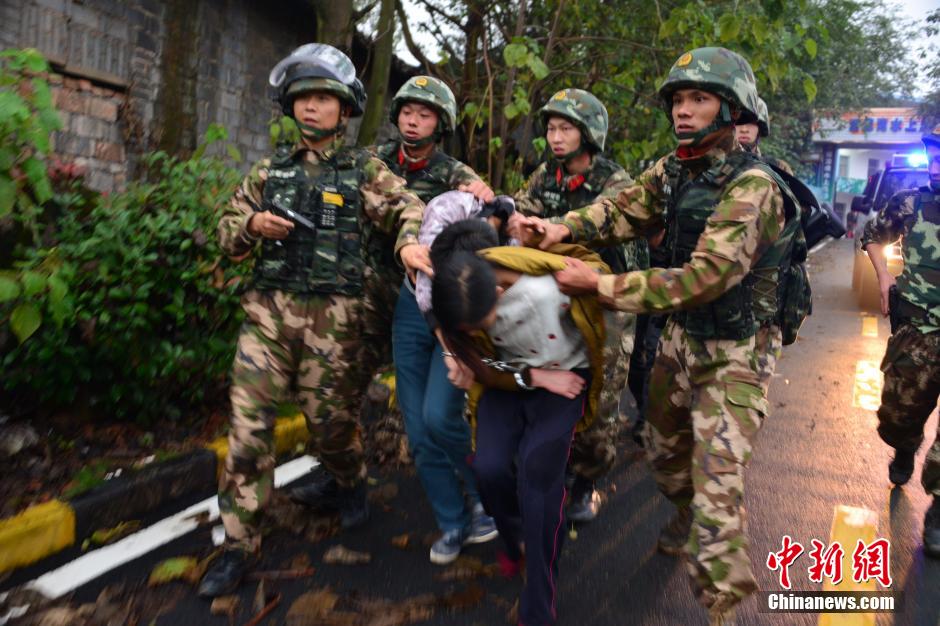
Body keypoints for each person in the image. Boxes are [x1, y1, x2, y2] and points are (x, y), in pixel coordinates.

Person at [516, 47, 801, 624]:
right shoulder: (675, 170)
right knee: (665, 453)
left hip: (739, 351)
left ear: (731, 107)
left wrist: (601, 284)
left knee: (718, 484)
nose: (683, 110)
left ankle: (720, 604)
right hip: (682, 338)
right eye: (678, 99)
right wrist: (560, 226)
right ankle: (682, 512)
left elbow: (706, 277)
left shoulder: (755, 188)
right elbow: (618, 210)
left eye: (699, 99)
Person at [198, 43, 428, 598]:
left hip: (334, 321)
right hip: (269, 317)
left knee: (331, 426)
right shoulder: (267, 171)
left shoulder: (364, 170)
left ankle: (349, 481)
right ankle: (237, 545)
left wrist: (409, 245)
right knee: (248, 432)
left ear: (344, 110)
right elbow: (224, 234)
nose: (311, 108)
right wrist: (252, 224)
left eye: (324, 98)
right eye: (302, 98)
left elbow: (408, 209)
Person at [431, 219, 608, 626]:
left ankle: (539, 597)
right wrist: (527, 376)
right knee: (490, 469)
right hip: (509, 383)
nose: (479, 333)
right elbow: (483, 364)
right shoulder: (456, 296)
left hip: (565, 381)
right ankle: (514, 538)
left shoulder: (550, 288)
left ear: (498, 293)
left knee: (538, 472)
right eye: (469, 331)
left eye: (482, 325)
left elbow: (609, 286)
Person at [514, 88, 643, 522]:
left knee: (601, 397)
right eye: (551, 128)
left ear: (588, 133)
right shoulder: (543, 176)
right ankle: (552, 466)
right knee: (548, 385)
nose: (555, 136)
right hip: (553, 296)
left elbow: (613, 221)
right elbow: (521, 213)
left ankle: (587, 480)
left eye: (565, 127)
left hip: (606, 300)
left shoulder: (615, 181)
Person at [393, 191, 515, 564]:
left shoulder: (514, 234)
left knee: (439, 416)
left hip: (463, 315)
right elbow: (429, 287)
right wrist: (451, 353)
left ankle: (484, 498)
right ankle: (453, 521)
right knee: (418, 430)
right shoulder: (447, 207)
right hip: (419, 309)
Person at [861, 123, 940, 558]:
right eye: (933, 155)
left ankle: (939, 510)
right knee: (898, 412)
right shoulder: (909, 201)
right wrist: (884, 273)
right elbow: (872, 237)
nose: (935, 164)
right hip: (918, 330)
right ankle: (905, 445)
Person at [734, 97, 794, 175]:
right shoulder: (715, 160)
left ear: (761, 128)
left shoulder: (778, 167)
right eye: (738, 122)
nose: (744, 129)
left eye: (751, 123)